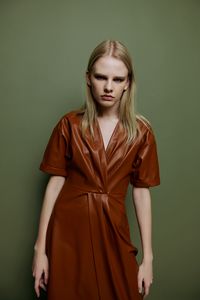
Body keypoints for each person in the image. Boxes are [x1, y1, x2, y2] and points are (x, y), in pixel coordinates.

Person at [32, 39, 160, 300]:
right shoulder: (69, 125)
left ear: (128, 82)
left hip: (114, 229)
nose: (109, 87)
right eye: (101, 77)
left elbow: (141, 191)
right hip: (68, 232)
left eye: (117, 79)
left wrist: (148, 258)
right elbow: (55, 182)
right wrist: (40, 250)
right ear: (88, 78)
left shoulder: (141, 132)